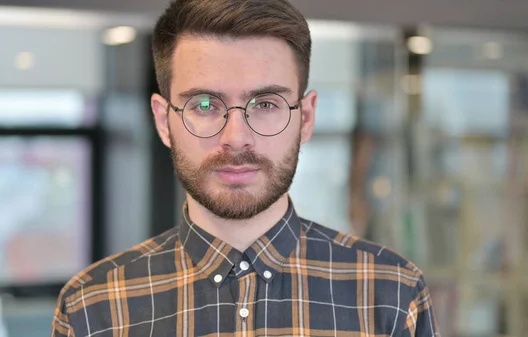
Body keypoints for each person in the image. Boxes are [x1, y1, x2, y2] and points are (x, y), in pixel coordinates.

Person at [51, 0, 439, 336]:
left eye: (266, 104)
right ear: (163, 121)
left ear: (305, 118)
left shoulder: (393, 294)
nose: (236, 138)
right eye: (204, 105)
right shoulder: (93, 308)